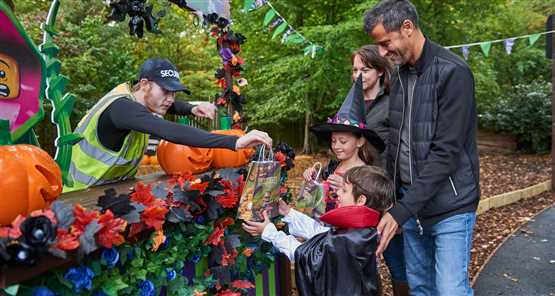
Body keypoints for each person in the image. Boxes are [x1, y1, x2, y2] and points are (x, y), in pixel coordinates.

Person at [363, 1, 480, 295]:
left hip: (450, 205)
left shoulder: (454, 72)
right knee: (421, 289)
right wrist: (390, 198)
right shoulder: (400, 76)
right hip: (411, 204)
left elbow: (445, 153)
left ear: (407, 28)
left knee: (450, 289)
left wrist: (401, 211)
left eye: (385, 43)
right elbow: (396, 141)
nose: (382, 53)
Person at [64, 58, 271, 192]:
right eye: (166, 91)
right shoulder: (122, 108)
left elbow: (167, 105)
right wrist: (236, 142)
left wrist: (189, 108)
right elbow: (172, 131)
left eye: (174, 93)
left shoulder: (136, 98)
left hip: (107, 189)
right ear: (145, 84)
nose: (170, 98)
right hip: (77, 195)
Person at [242, 165, 393, 296]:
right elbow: (321, 235)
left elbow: (306, 255)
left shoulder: (348, 239)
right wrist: (289, 214)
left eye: (344, 190)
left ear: (361, 200)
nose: (337, 193)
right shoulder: (361, 230)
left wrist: (270, 233)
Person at [352, 45, 408, 295]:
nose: (358, 75)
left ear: (380, 72)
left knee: (396, 260)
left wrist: (396, 198)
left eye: (365, 69)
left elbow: (399, 150)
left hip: (387, 192)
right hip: (356, 194)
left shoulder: (392, 102)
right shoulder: (350, 104)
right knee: (360, 260)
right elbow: (342, 144)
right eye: (354, 70)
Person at [303, 75, 385, 211]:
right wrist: (313, 179)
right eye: (333, 141)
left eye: (343, 141)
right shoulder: (331, 168)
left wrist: (347, 188)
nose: (336, 146)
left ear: (360, 141)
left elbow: (371, 208)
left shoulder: (366, 174)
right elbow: (315, 200)